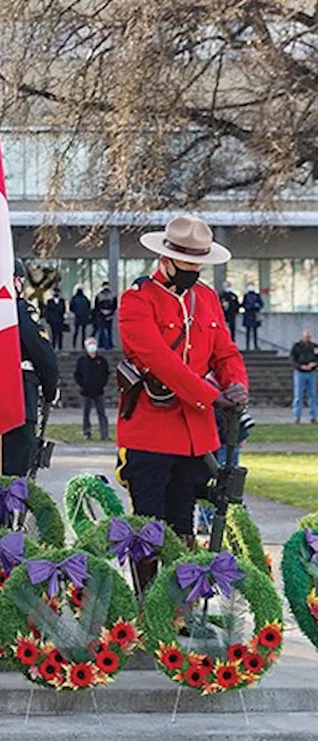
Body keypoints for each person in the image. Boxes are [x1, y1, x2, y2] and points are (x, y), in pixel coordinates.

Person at [117, 215, 247, 588]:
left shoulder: (205, 299)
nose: (194, 271)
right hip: (151, 432)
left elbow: (225, 352)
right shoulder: (137, 300)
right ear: (166, 259)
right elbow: (160, 360)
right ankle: (145, 608)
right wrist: (211, 395)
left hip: (196, 435)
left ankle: (176, 608)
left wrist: (236, 384)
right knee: (148, 526)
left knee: (183, 521)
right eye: (188, 264)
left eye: (199, 264)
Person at [2, 259, 59, 476]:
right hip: (19, 400)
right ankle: (9, 509)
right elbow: (43, 355)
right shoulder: (21, 309)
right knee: (16, 472)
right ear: (16, 281)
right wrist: (50, 390)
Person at [74, 337, 110, 441]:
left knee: (102, 413)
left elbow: (106, 374)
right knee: (86, 413)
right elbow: (77, 374)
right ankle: (87, 432)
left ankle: (105, 434)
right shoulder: (82, 361)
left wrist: (102, 384)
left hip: (99, 391)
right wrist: (82, 385)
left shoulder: (102, 360)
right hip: (85, 392)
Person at [292, 329, 317, 424]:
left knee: (313, 395)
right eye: (306, 337)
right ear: (302, 337)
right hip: (300, 372)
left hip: (312, 373)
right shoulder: (297, 346)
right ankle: (297, 417)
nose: (308, 338)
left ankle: (313, 416)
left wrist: (314, 364)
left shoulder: (314, 346)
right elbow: (292, 359)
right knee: (298, 395)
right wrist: (300, 366)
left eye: (309, 337)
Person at [93, 283, 117, 349]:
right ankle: (104, 344)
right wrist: (106, 311)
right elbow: (96, 306)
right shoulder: (101, 295)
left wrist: (107, 311)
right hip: (103, 315)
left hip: (106, 315)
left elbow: (115, 305)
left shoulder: (100, 295)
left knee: (106, 330)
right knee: (104, 330)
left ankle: (107, 344)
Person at [44, 286, 67, 350]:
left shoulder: (62, 301)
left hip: (60, 320)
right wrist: (48, 319)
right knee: (53, 333)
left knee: (60, 334)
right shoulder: (50, 301)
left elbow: (63, 310)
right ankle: (53, 346)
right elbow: (47, 311)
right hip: (52, 320)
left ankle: (60, 347)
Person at [242, 284, 264, 350]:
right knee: (248, 331)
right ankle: (247, 346)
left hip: (254, 314)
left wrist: (257, 306)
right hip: (248, 314)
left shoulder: (257, 296)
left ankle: (255, 345)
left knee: (255, 331)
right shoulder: (246, 296)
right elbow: (243, 304)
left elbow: (261, 304)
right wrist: (248, 307)